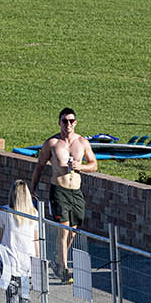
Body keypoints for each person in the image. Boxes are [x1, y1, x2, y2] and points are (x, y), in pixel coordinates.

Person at [29, 107, 96, 282]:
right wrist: (32, 188)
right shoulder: (52, 143)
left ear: (76, 123)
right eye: (65, 121)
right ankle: (64, 269)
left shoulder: (82, 142)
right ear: (59, 122)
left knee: (73, 231)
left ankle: (59, 260)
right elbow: (40, 167)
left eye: (71, 121)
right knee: (64, 229)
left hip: (76, 192)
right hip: (58, 190)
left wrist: (80, 167)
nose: (68, 124)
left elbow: (94, 164)